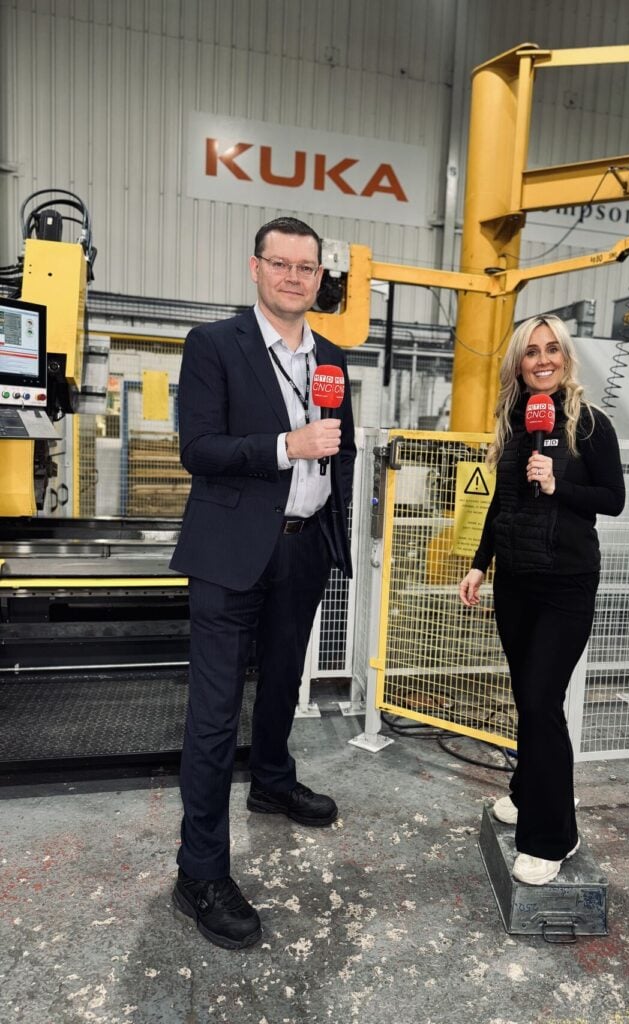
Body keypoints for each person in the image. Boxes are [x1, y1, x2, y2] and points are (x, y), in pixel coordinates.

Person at [169, 216, 356, 949]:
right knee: (215, 716)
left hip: (302, 549)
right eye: (281, 264)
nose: (294, 277)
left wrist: (333, 531)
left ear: (319, 278)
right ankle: (199, 873)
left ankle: (273, 781)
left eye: (307, 267)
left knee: (283, 683)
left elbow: (339, 453)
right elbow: (198, 449)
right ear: (256, 268)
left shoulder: (332, 358)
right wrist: (286, 445)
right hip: (229, 554)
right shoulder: (215, 345)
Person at [459, 314, 624, 886]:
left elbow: (613, 498)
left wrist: (558, 485)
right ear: (519, 364)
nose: (543, 359)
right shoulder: (513, 420)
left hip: (566, 584)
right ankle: (528, 790)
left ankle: (553, 836)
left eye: (552, 349)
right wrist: (480, 564)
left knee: (539, 700)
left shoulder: (590, 424)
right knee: (527, 697)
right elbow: (501, 503)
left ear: (565, 357)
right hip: (517, 582)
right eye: (532, 352)